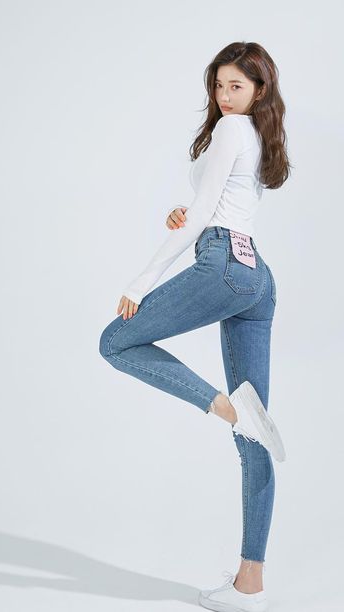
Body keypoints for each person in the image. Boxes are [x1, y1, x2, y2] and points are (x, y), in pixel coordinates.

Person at [99, 41, 291, 612]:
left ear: (259, 89)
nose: (224, 96)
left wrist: (142, 280)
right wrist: (189, 215)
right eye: (219, 85)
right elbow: (220, 204)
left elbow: (211, 213)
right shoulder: (257, 133)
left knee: (115, 342)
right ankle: (250, 584)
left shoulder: (233, 129)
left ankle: (229, 409)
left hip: (224, 265)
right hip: (256, 276)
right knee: (255, 437)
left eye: (237, 86)